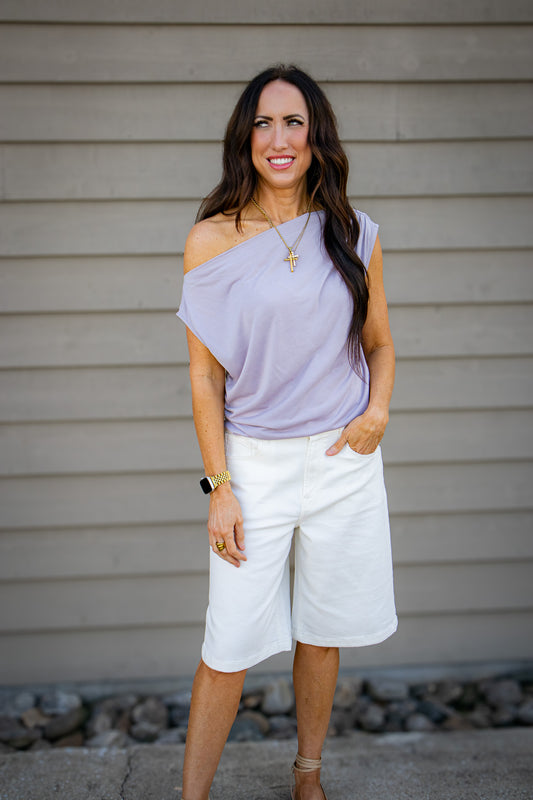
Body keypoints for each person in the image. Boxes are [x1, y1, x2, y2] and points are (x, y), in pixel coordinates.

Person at [176, 64, 398, 800]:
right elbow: (205, 378)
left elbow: (379, 346)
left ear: (315, 136)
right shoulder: (210, 240)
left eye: (293, 122)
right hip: (254, 466)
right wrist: (219, 488)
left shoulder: (352, 232)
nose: (279, 138)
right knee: (228, 644)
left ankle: (307, 776)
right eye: (264, 123)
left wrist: (375, 415)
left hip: (342, 461)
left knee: (322, 630)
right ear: (245, 138)